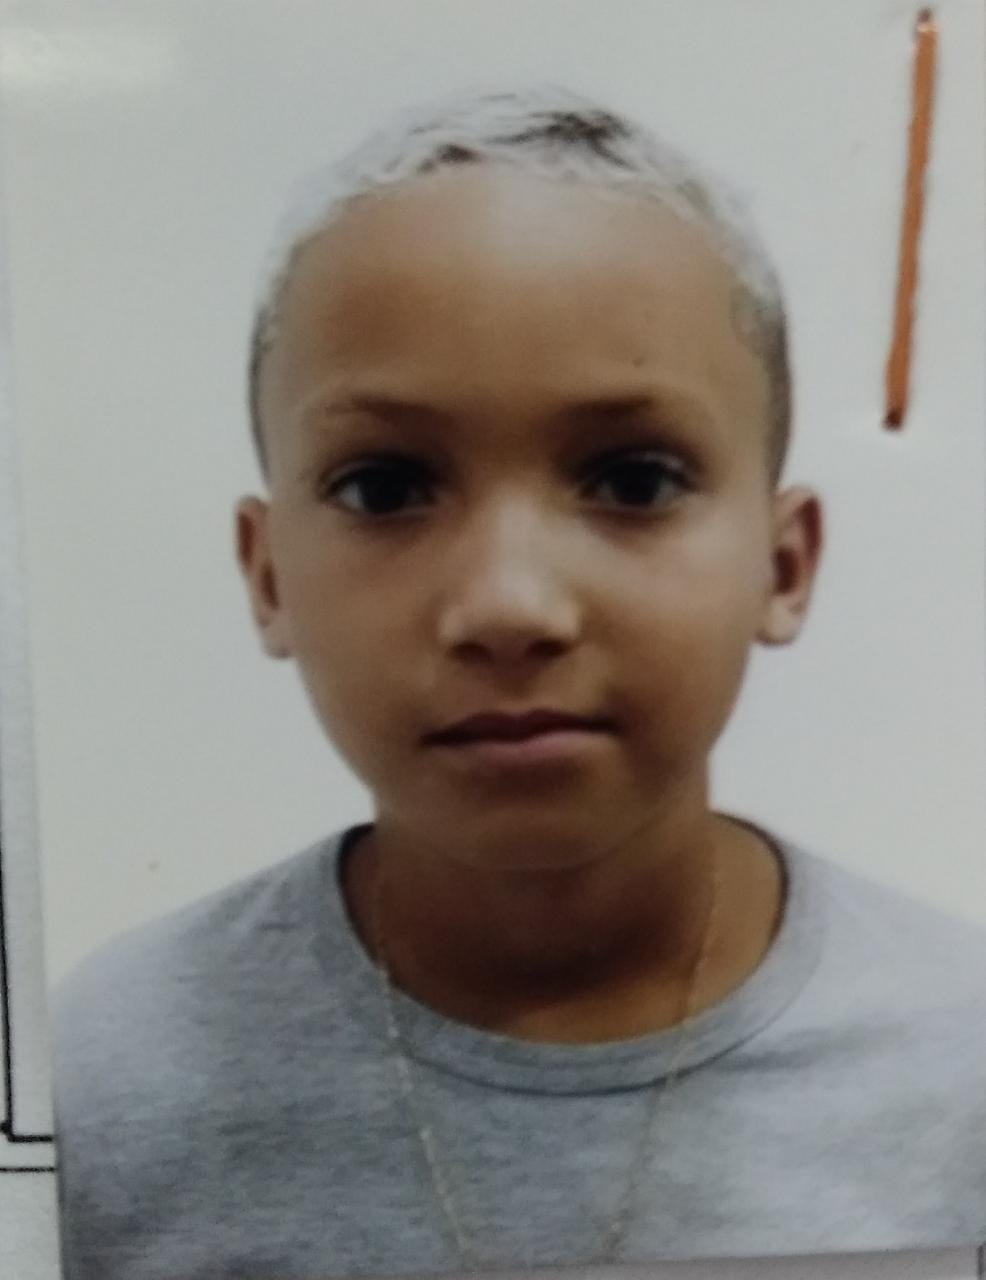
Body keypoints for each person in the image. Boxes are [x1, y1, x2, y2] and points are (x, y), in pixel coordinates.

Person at [53, 86, 986, 1279]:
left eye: (633, 479)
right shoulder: (105, 1090)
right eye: (385, 487)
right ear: (269, 573)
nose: (507, 603)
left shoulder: (954, 1060)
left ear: (783, 562)